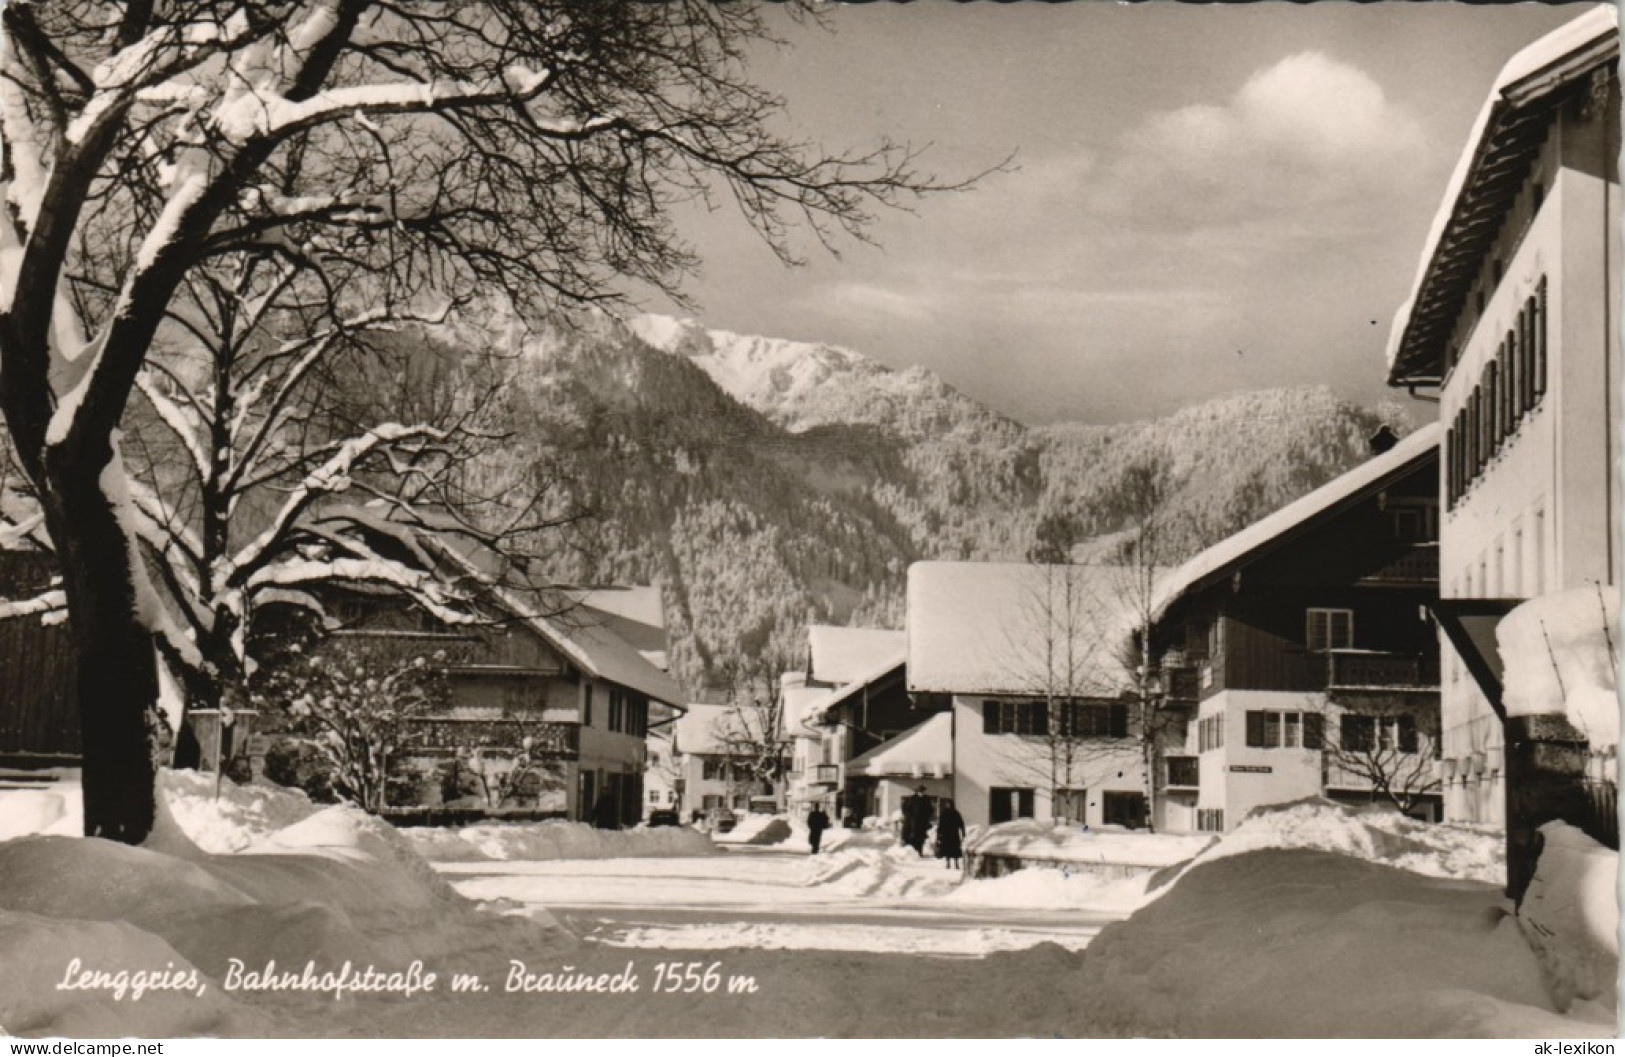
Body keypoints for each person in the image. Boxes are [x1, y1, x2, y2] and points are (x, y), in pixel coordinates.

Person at [901, 786, 933, 857]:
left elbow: (930, 809)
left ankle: (920, 851)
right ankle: (913, 852)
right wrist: (910, 816)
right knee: (913, 837)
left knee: (921, 838)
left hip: (922, 822)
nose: (921, 793)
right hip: (913, 822)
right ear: (917, 792)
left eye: (922, 791)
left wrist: (927, 816)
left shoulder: (926, 799)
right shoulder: (912, 799)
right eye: (920, 791)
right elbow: (906, 809)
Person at [935, 800, 967, 870]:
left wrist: (963, 833)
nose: (948, 805)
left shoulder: (956, 813)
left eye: (949, 804)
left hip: (954, 834)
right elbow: (940, 824)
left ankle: (956, 863)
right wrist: (938, 834)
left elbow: (961, 823)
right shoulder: (944, 813)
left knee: (955, 850)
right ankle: (948, 863)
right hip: (946, 834)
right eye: (947, 804)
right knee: (947, 850)